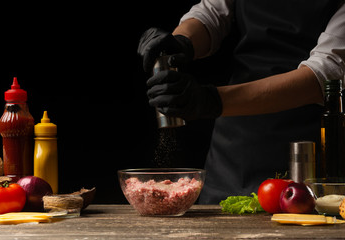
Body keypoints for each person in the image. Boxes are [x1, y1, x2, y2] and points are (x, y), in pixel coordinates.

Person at [137, 0, 345, 204]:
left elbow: (326, 74)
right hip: (235, 148)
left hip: (305, 147)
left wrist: (212, 101)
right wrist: (182, 41)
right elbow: (213, 12)